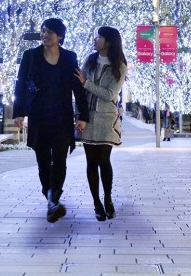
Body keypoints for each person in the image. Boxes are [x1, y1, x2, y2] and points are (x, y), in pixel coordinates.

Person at [13, 18, 89, 223]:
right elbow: (20, 85)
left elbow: (77, 88)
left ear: (60, 36)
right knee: (43, 160)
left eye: (50, 32)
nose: (44, 35)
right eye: (43, 31)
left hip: (62, 115)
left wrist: (83, 115)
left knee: (61, 159)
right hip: (38, 115)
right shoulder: (30, 56)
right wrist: (19, 112)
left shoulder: (69, 57)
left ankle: (54, 197)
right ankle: (49, 195)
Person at [75, 26, 128, 221]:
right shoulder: (89, 60)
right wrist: (78, 115)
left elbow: (109, 95)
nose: (95, 40)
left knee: (104, 160)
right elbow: (79, 92)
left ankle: (108, 199)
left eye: (99, 37)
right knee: (91, 161)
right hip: (87, 118)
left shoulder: (119, 66)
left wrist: (86, 83)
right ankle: (96, 203)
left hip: (106, 118)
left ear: (109, 42)